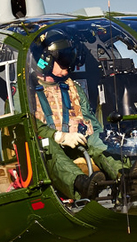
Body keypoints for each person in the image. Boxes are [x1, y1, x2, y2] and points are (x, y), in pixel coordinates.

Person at [32, 30, 130, 201]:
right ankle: (81, 184)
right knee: (47, 145)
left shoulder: (72, 87)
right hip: (48, 149)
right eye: (63, 61)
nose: (67, 68)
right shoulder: (26, 92)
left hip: (78, 143)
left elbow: (91, 121)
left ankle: (125, 176)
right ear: (45, 61)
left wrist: (99, 137)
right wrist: (59, 136)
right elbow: (27, 126)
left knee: (97, 137)